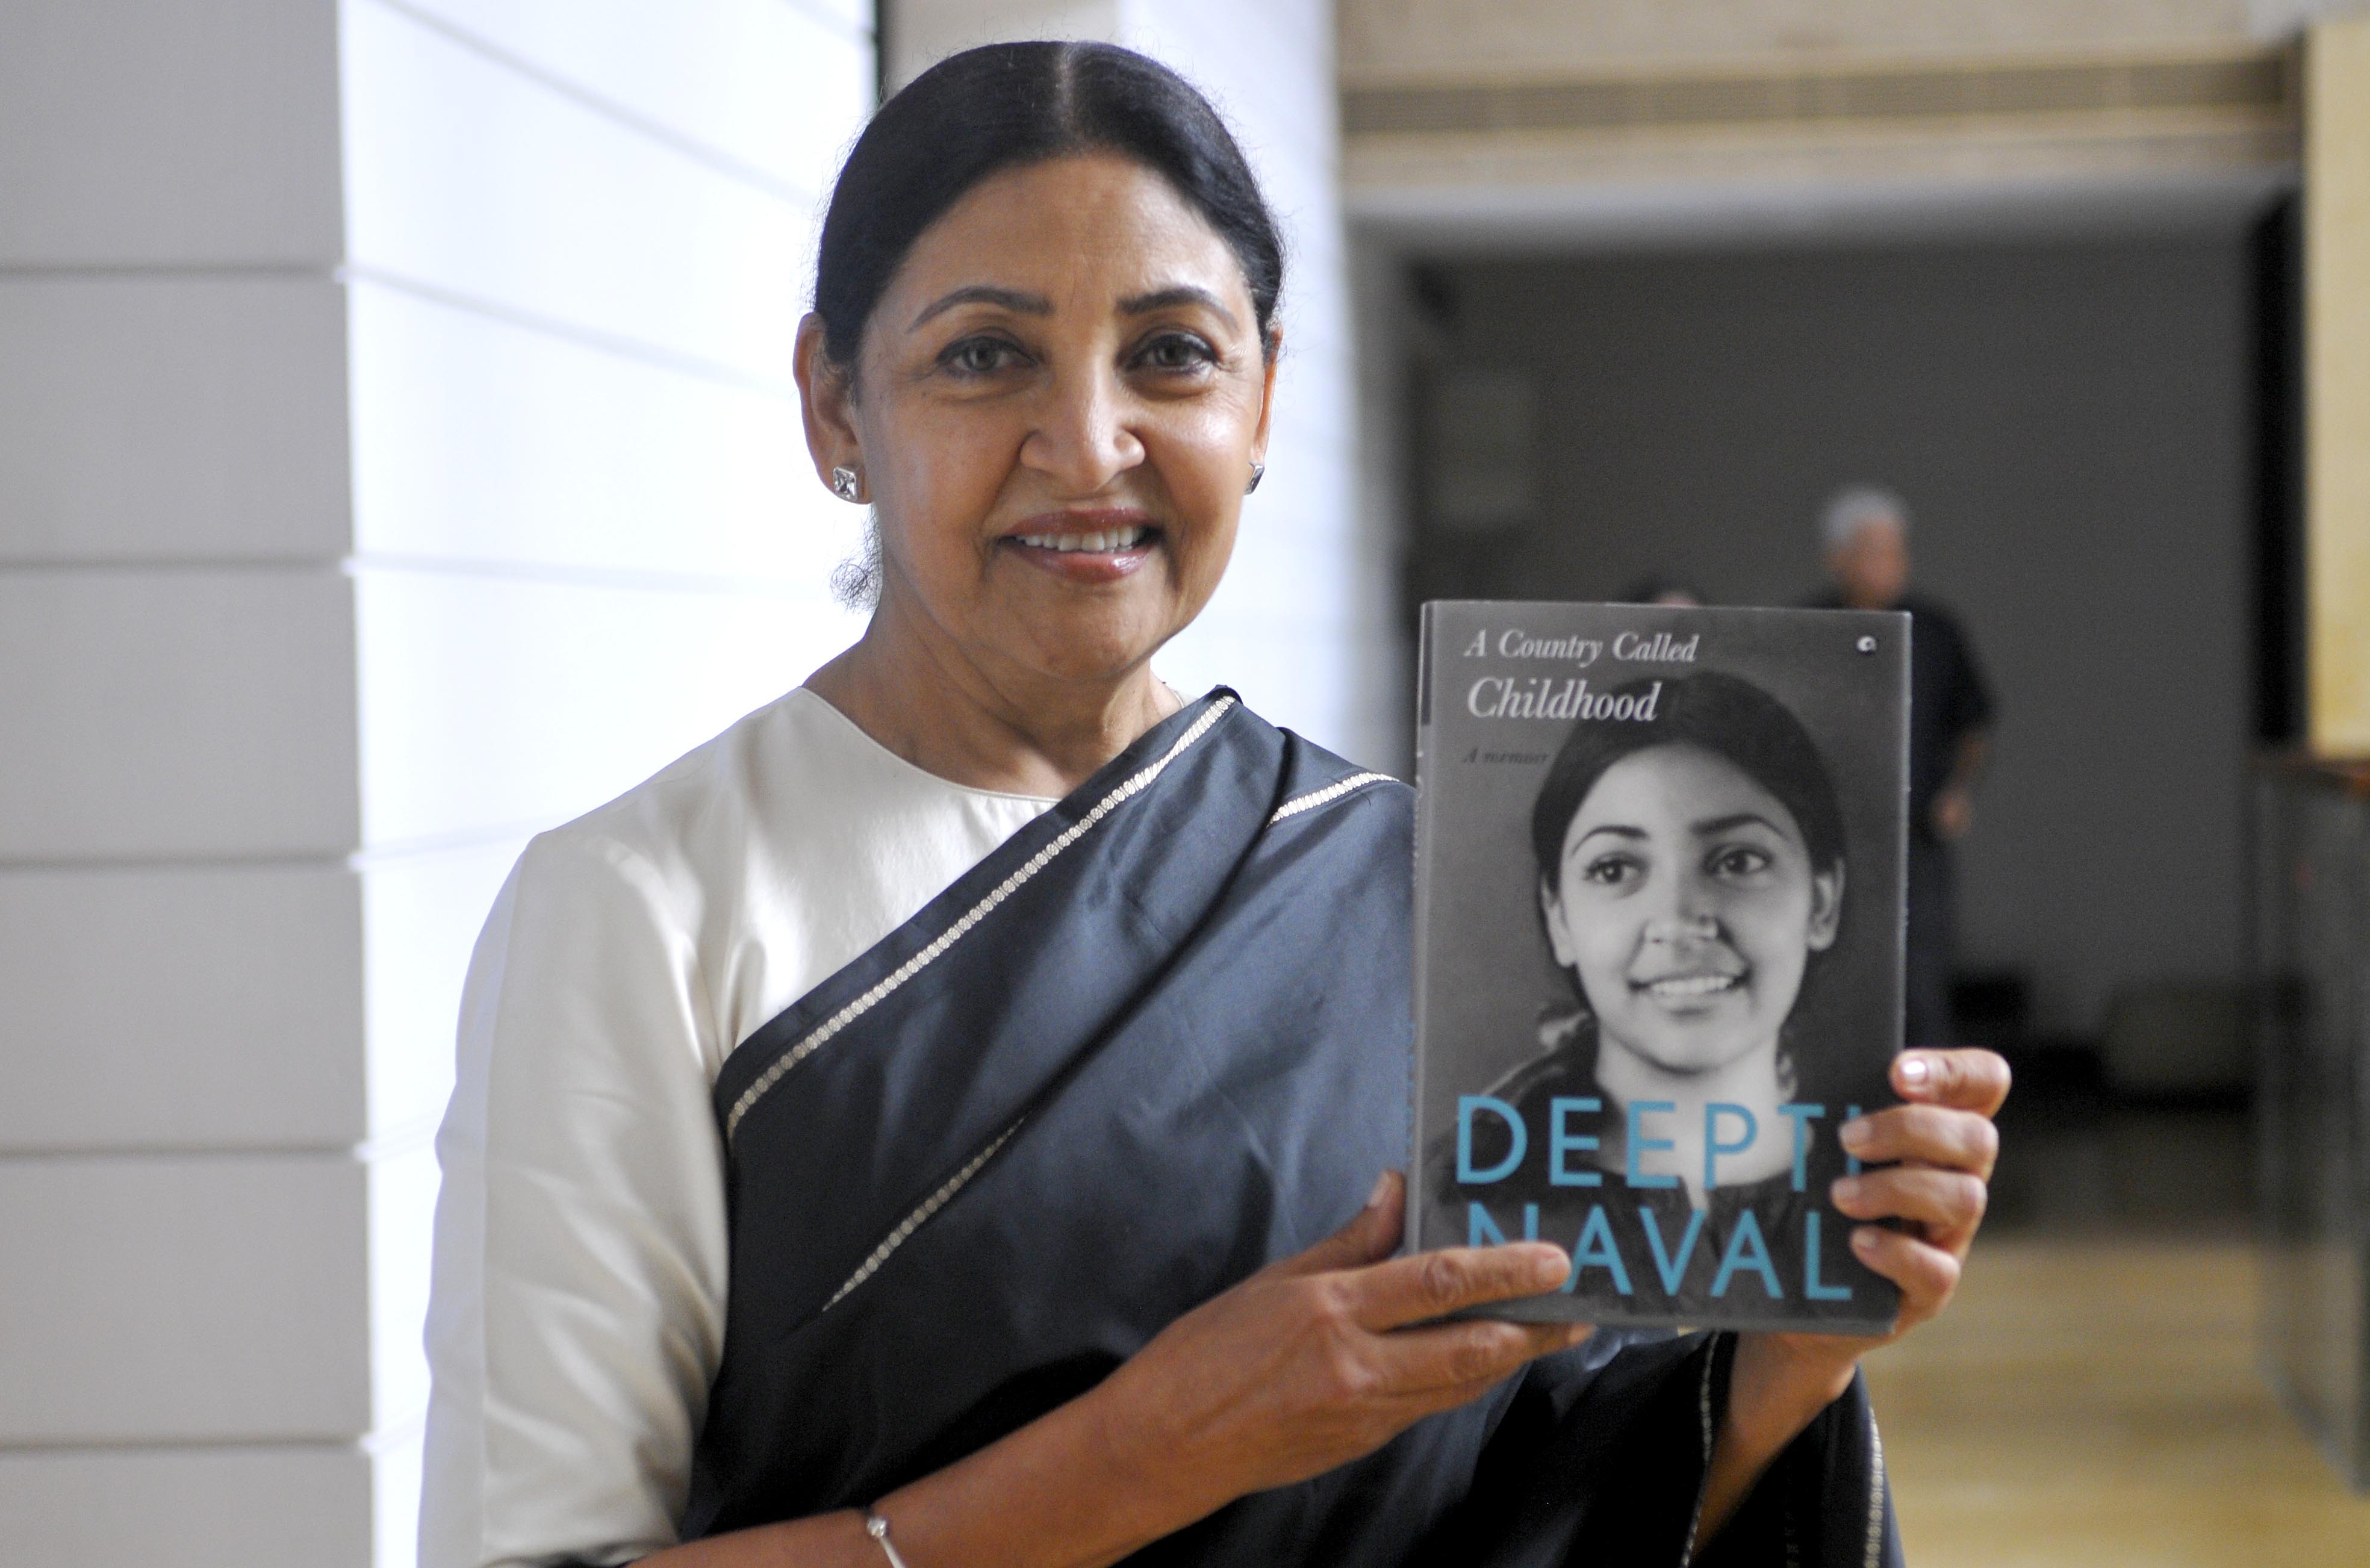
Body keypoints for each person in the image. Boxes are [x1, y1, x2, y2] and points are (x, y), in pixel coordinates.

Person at [420, 43, 2011, 1568]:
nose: (1091, 443)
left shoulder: (1404, 876)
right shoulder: (645, 909)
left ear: (1258, 413)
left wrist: (1789, 1358)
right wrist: (1142, 1455)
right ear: (838, 409)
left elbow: (1553, 1488)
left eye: (1172, 354)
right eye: (984, 354)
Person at [1446, 672, 1871, 1324]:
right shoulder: (1457, 1205)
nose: (1677, 919)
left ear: (1823, 899)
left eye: (1736, 861)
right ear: (1559, 918)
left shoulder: (1876, 1197)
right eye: (1615, 869)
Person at [1812, 487, 1994, 1047]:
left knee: (1920, 980)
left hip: (1917, 839)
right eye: (1871, 549)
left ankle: (1923, 1108)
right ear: (1836, 557)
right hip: (1832, 835)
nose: (1888, 562)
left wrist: (1959, 792)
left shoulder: (1935, 629)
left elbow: (1974, 720)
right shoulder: (1811, 627)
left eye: (1895, 550)